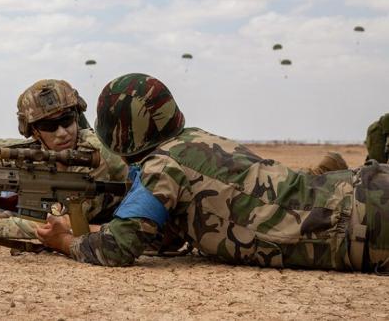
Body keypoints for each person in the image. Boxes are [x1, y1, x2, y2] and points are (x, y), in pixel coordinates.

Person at [35, 73, 389, 272]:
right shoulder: (197, 140)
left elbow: (115, 248)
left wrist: (63, 240)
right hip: (362, 189)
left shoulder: (162, 167)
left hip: (360, 224)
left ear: (121, 133)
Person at [0, 79, 128, 240]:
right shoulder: (42, 154)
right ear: (34, 131)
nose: (62, 133)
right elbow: (49, 206)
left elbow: (64, 222)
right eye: (49, 126)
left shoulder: (93, 153)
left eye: (66, 120)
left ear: (76, 117)